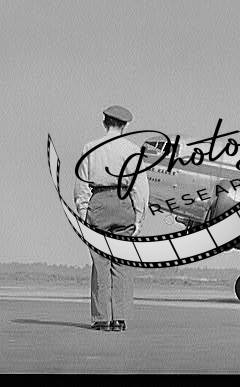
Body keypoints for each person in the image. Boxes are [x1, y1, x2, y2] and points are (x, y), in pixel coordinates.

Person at [74, 105, 149, 332]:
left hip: (98, 202)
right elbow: (140, 187)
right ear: (125, 125)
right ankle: (120, 318)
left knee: (100, 263)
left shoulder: (90, 148)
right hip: (124, 203)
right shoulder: (132, 150)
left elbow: (81, 185)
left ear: (104, 122)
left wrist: (83, 212)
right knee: (122, 264)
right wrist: (138, 216)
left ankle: (101, 318)